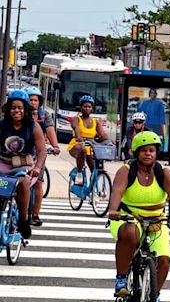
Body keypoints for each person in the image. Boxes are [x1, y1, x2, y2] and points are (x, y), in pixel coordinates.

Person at [108, 131, 170, 302]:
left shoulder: (164, 173)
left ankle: (155, 295)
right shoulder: (126, 171)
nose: (148, 154)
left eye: (152, 150)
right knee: (129, 233)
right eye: (144, 150)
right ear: (136, 153)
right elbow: (117, 191)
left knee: (164, 259)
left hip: (156, 220)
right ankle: (121, 279)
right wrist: (113, 210)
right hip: (128, 217)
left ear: (157, 152)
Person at [0, 90, 47, 239]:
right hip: (3, 164)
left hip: (23, 166)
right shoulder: (2, 125)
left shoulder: (34, 127)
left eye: (20, 108)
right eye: (13, 108)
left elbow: (41, 151)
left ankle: (23, 219)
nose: (16, 111)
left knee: (24, 183)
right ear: (8, 109)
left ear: (26, 110)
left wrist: (38, 167)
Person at [26, 86, 60, 226]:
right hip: (24, 152)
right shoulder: (21, 114)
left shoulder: (44, 115)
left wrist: (55, 146)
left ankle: (35, 214)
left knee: (39, 183)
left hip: (39, 152)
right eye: (30, 99)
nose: (33, 102)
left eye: (36, 100)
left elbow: (50, 130)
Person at [67, 95, 111, 185]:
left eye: (89, 107)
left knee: (94, 167)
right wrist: (79, 136)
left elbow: (103, 134)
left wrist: (109, 141)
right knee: (82, 149)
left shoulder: (95, 122)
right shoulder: (76, 119)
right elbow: (76, 127)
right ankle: (79, 173)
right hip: (77, 145)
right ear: (81, 108)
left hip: (90, 146)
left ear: (92, 108)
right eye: (85, 106)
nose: (87, 108)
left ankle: (94, 187)